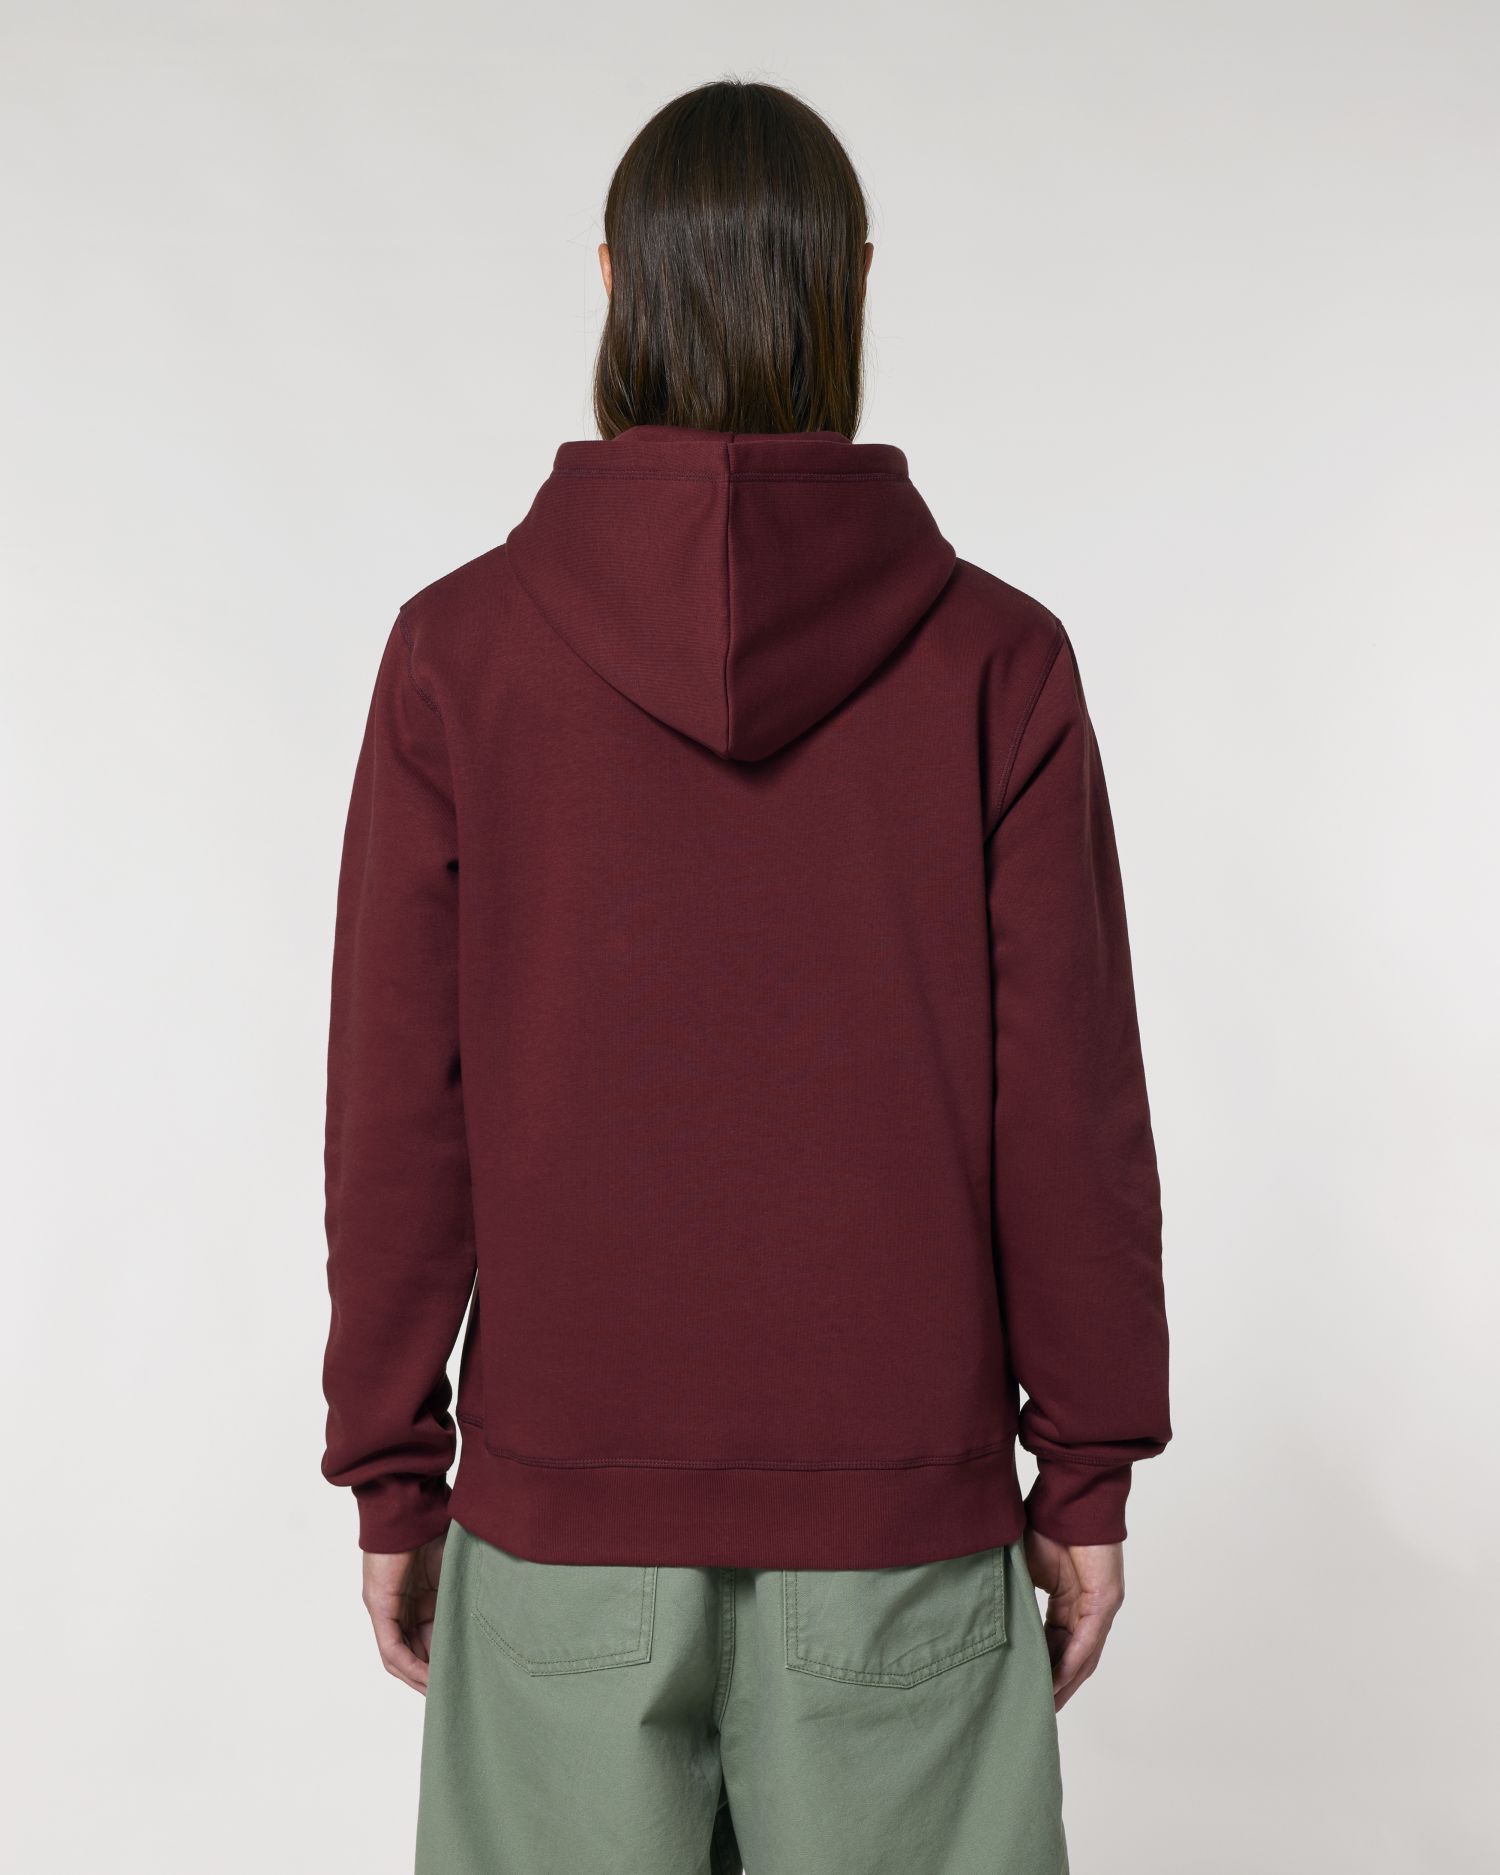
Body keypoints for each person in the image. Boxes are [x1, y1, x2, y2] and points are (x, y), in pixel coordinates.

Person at [321, 77, 1170, 1875]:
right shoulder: (999, 664)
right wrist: (1084, 1471)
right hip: (901, 1533)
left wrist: (394, 1469)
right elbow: (1069, 1107)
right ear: (851, 285)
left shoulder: (458, 655)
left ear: (614, 283)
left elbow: (399, 1107)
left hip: (560, 1531)